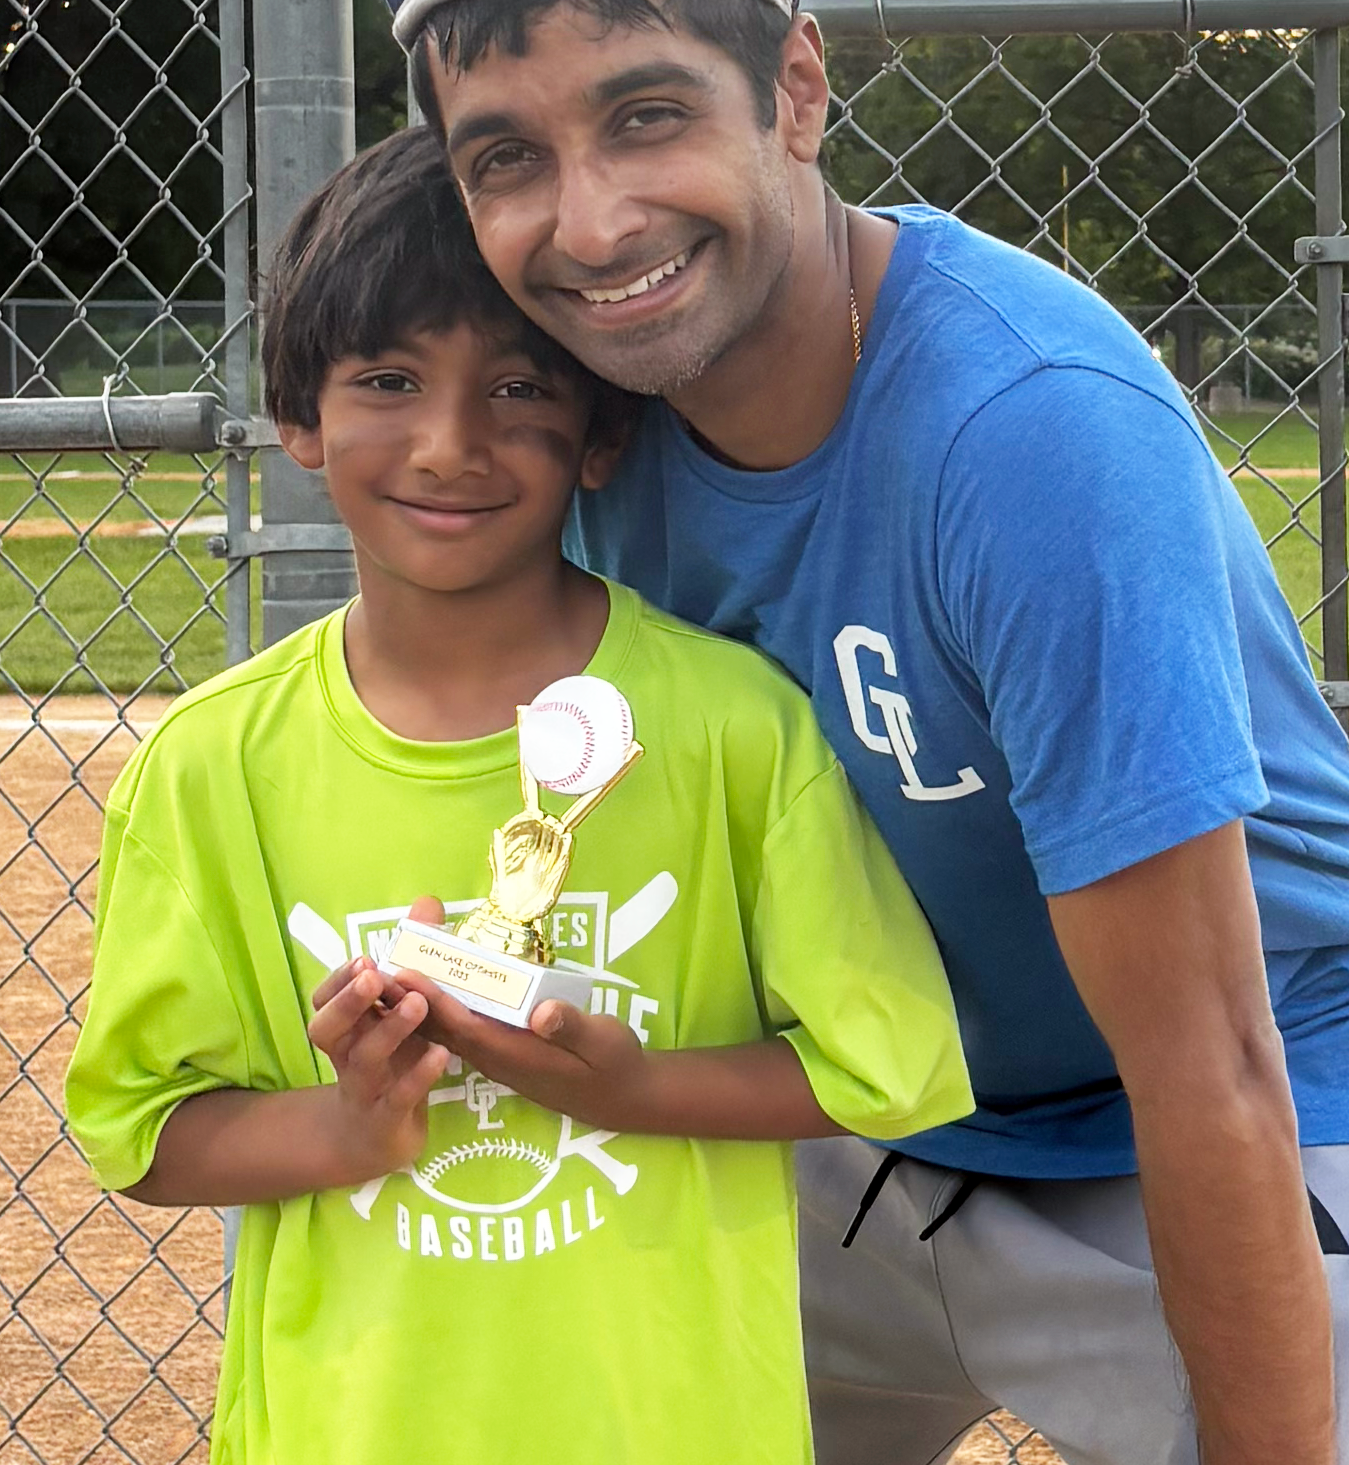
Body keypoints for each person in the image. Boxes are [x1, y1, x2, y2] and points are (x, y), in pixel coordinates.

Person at [337, 0, 1349, 1465]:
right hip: (845, 1112)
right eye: (506, 155)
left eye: (647, 114)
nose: (589, 226)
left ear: (798, 91)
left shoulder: (1026, 433)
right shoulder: (578, 425)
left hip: (1233, 1107)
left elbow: (1210, 1062)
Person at [62, 126, 971, 1465]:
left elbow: (886, 1067)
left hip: (671, 1424)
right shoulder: (213, 769)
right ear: (298, 419)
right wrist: (347, 1118)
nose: (448, 445)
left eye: (517, 390)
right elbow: (141, 1131)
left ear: (602, 432)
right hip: (354, 1428)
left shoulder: (731, 728)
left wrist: (633, 1088)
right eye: (387, 378)